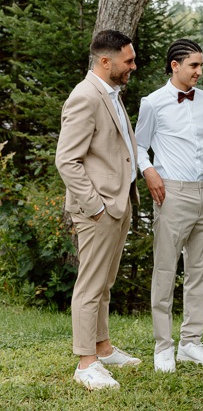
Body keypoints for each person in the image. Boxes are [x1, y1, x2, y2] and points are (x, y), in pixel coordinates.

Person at [55, 29, 141, 390]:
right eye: (128, 60)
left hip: (117, 205)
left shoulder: (111, 93)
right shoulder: (85, 97)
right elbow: (67, 160)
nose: (133, 66)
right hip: (98, 209)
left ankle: (102, 349)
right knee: (90, 286)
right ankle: (85, 363)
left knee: (104, 283)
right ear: (105, 61)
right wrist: (95, 208)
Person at [135, 39, 203, 373]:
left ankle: (191, 344)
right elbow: (140, 145)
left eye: (201, 65)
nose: (199, 72)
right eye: (194, 66)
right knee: (166, 270)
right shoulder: (153, 103)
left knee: (200, 271)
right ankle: (163, 347)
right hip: (171, 194)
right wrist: (149, 171)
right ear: (175, 66)